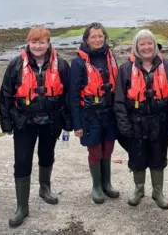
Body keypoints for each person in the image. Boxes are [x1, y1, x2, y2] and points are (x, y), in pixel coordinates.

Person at [0, 27, 71, 227]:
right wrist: (6, 123)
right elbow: (5, 96)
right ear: (28, 44)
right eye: (34, 42)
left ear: (48, 44)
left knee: (47, 155)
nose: (37, 46)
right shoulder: (15, 65)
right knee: (22, 161)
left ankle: (44, 188)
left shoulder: (62, 65)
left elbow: (69, 95)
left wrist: (69, 122)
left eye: (41, 42)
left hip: (52, 120)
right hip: (24, 122)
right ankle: (22, 206)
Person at [114, 29, 168, 209]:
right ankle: (139, 189)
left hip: (160, 122)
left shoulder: (167, 66)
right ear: (136, 47)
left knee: (158, 158)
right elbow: (119, 101)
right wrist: (124, 125)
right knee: (137, 158)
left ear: (155, 45)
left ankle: (158, 192)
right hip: (136, 122)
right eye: (142, 44)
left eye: (149, 43)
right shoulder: (126, 69)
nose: (146, 47)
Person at [69, 22, 120, 204]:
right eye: (93, 37)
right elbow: (73, 95)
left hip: (110, 113)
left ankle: (107, 183)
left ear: (105, 37)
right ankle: (96, 186)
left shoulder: (110, 57)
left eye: (100, 36)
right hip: (89, 114)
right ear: (86, 39)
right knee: (95, 150)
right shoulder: (78, 62)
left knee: (108, 149)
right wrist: (76, 124)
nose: (98, 40)